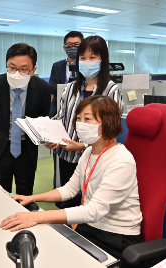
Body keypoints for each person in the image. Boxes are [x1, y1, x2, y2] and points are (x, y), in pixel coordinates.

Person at [0, 96, 142, 267]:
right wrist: (31, 198)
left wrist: (39, 216)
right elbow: (69, 190)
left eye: (88, 119)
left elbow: (94, 211)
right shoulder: (90, 152)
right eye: (79, 118)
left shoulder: (121, 160)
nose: (80, 124)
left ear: (107, 122)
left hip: (116, 237)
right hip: (89, 226)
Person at [48, 35, 123, 209]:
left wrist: (81, 145)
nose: (86, 62)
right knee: (66, 203)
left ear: (102, 60)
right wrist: (50, 136)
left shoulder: (110, 90)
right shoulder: (70, 88)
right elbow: (60, 117)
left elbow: (111, 130)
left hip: (95, 159)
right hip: (67, 156)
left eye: (92, 57)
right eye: (83, 58)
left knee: (89, 205)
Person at [0, 43, 51, 196]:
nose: (17, 73)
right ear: (6, 65)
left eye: (24, 69)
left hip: (27, 148)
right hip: (1, 147)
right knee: (0, 192)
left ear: (33, 70)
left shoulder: (43, 89)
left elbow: (42, 117)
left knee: (25, 193)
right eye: (12, 67)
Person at [49, 31, 84, 118]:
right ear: (64, 48)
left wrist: (63, 88)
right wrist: (72, 89)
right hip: (59, 107)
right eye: (69, 44)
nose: (73, 47)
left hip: (81, 108)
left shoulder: (87, 65)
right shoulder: (57, 66)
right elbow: (52, 86)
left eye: (76, 44)